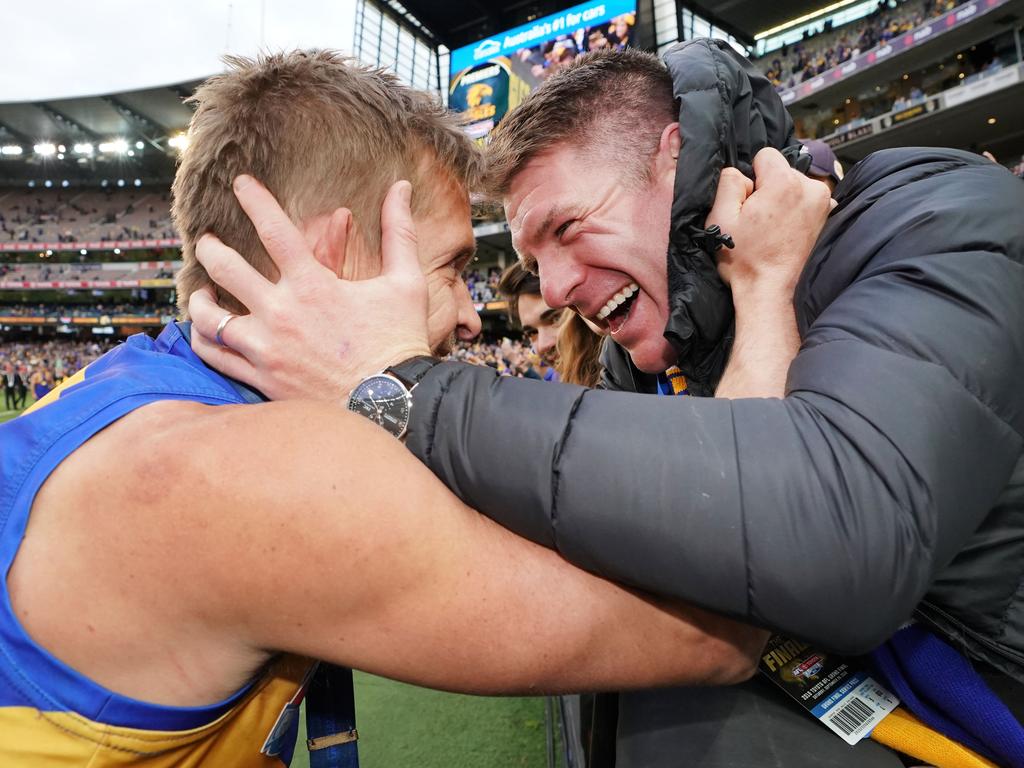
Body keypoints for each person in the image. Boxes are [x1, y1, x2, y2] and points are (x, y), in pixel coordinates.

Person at [192, 42, 1024, 767]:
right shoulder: (666, 339)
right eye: (530, 255)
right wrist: (764, 291)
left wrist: (404, 386)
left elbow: (834, 544)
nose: (551, 290)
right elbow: (719, 543)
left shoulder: (936, 219)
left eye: (566, 228)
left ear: (673, 159)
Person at [0, 51, 820, 768]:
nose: (471, 315)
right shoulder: (254, 476)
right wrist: (765, 285)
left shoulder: (149, 400)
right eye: (452, 266)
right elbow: (722, 616)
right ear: (334, 254)